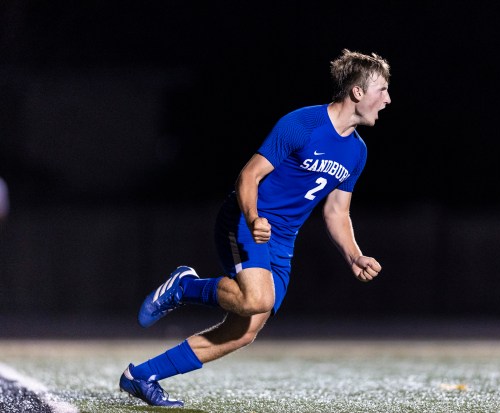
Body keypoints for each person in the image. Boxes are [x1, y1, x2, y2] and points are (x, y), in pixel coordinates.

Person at [119, 48, 391, 407]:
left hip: (282, 240)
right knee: (256, 299)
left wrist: (354, 256)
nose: (387, 99)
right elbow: (249, 175)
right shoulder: (301, 124)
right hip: (246, 219)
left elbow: (337, 212)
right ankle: (185, 286)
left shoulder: (357, 152)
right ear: (357, 92)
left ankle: (141, 376)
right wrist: (253, 218)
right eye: (382, 90)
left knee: (243, 331)